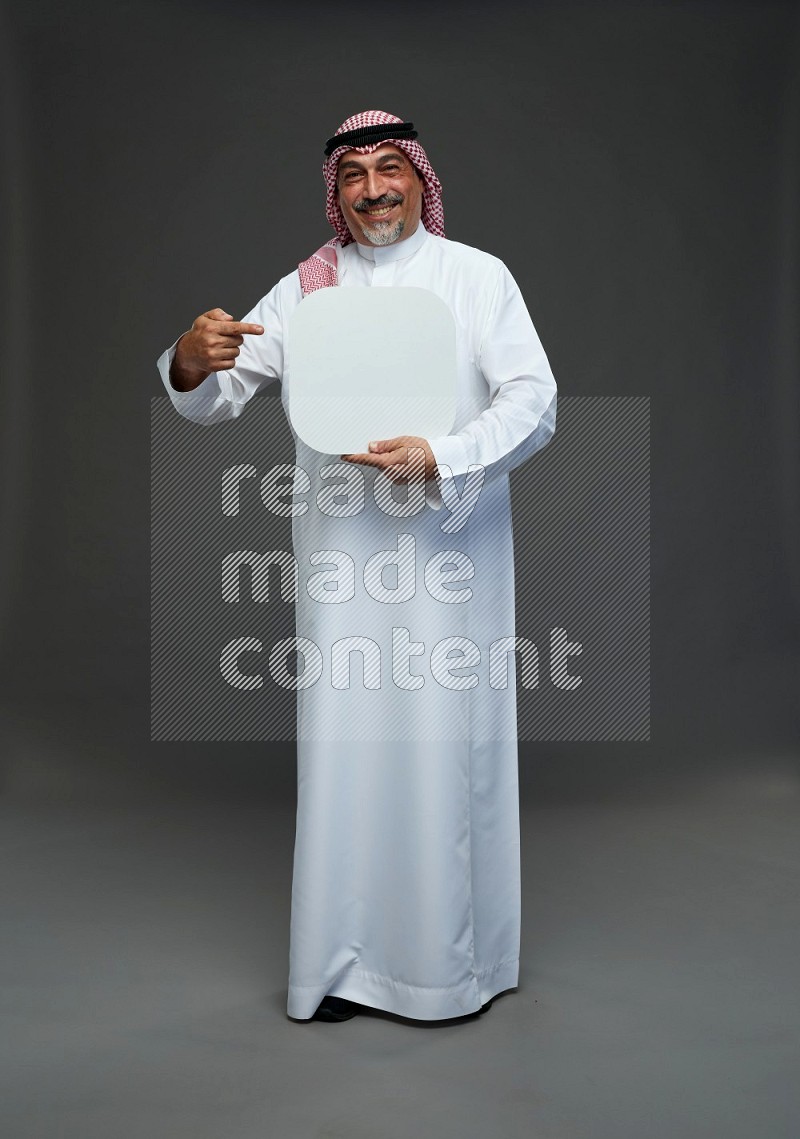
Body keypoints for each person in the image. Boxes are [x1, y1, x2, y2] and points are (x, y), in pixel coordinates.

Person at [156, 110, 557, 1024]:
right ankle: (339, 967)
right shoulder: (309, 288)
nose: (375, 189)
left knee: (444, 753)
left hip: (451, 563)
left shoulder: (477, 278)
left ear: (421, 177)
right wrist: (187, 361)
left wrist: (445, 455)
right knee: (346, 754)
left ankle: (451, 971)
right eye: (353, 177)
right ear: (335, 193)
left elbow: (535, 404)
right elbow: (219, 392)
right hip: (344, 567)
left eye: (390, 169)